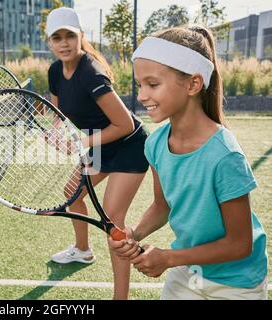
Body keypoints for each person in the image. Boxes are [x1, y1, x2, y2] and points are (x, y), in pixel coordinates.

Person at [109, 25, 268, 300]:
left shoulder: (225, 156)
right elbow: (163, 205)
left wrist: (169, 258)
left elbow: (240, 244)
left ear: (194, 84)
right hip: (187, 272)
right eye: (140, 85)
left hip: (237, 284)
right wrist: (135, 232)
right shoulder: (155, 144)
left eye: (153, 84)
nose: (142, 95)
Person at [45, 7, 150, 299]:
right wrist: (56, 132)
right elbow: (58, 114)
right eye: (57, 37)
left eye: (70, 36)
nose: (64, 43)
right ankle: (82, 250)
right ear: (49, 42)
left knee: (113, 217)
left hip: (129, 144)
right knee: (72, 193)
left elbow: (124, 124)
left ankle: (121, 297)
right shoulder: (55, 71)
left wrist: (82, 141)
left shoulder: (91, 73)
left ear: (80, 37)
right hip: (100, 145)